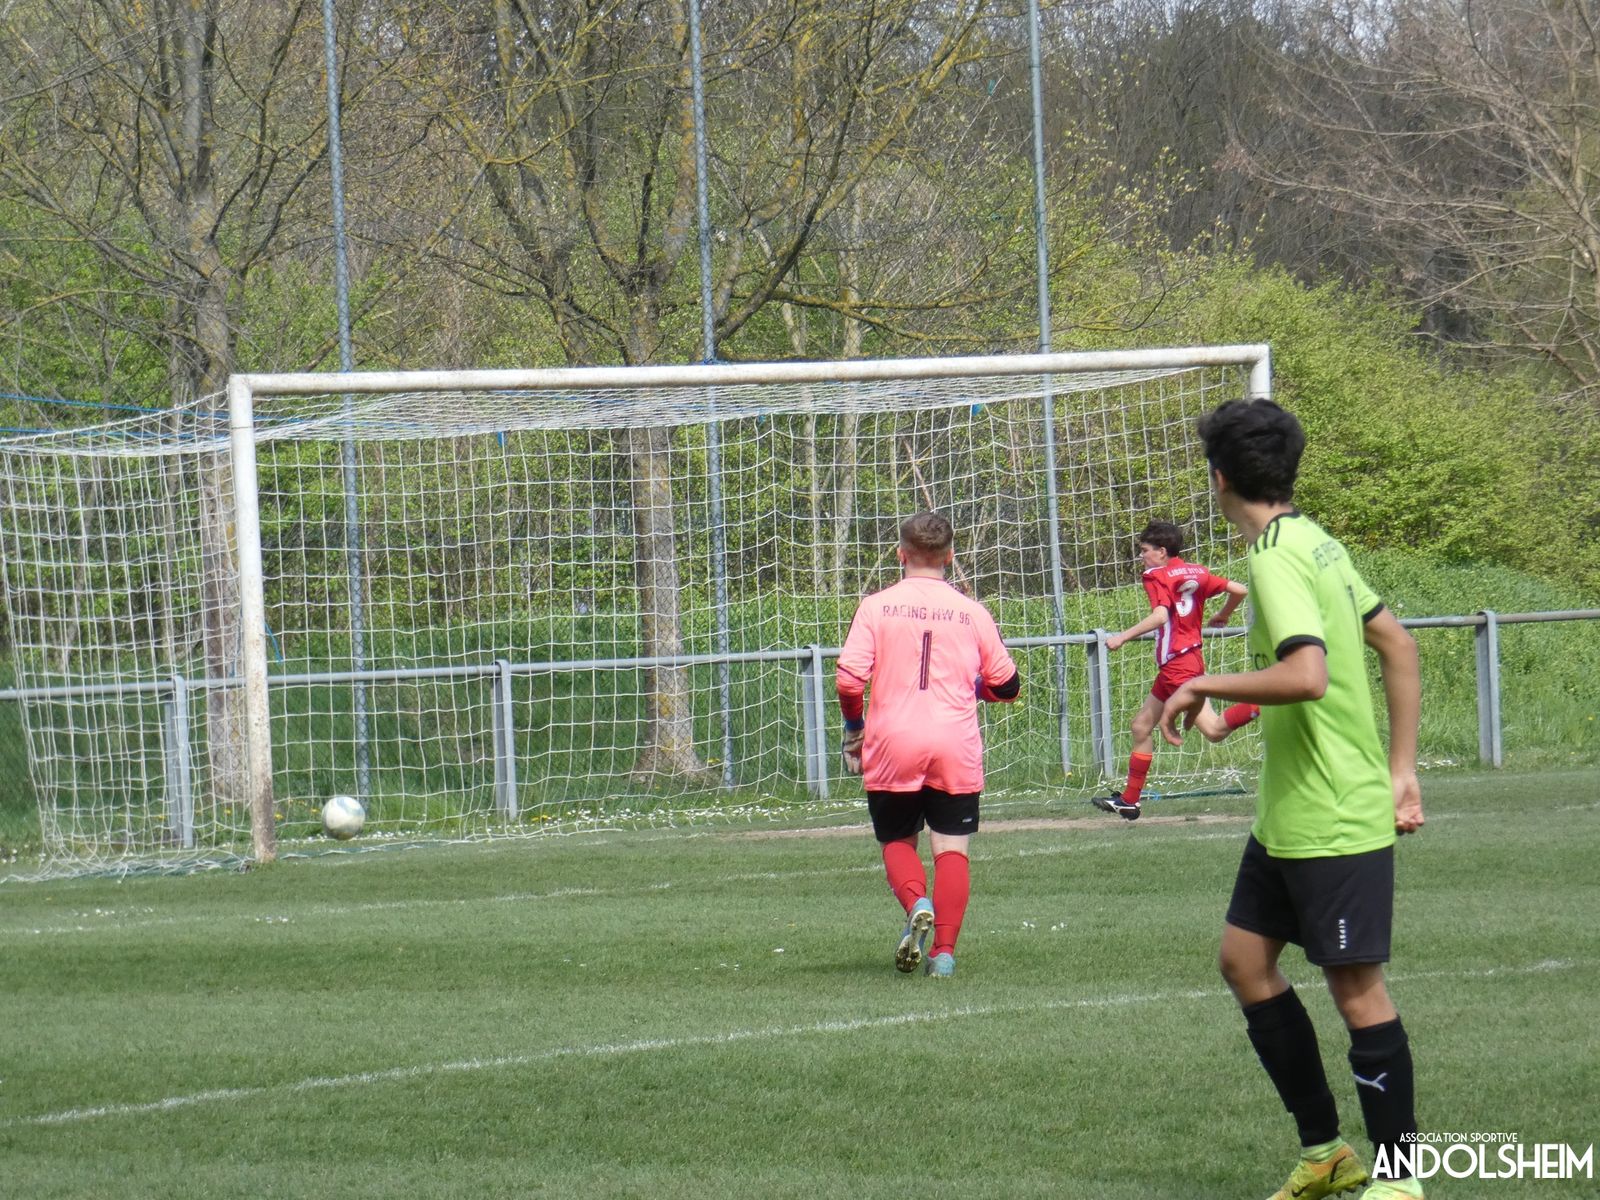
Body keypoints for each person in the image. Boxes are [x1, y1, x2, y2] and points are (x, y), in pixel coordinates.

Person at [1158, 399, 1426, 1200]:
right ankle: (1327, 1153)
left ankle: (1401, 1180)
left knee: (1357, 991)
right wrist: (1402, 768)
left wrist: (1201, 683)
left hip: (1332, 817)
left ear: (1218, 476)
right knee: (1244, 963)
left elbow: (1307, 675)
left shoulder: (1277, 558)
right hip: (1289, 814)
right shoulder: (1315, 541)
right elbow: (1396, 644)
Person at [836, 511, 1020, 978]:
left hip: (893, 742)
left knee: (897, 840)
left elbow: (849, 680)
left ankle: (918, 901)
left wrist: (854, 727)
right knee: (952, 847)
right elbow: (1007, 685)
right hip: (954, 743)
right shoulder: (972, 611)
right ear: (950, 556)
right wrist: (972, 688)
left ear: (901, 554)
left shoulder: (876, 606)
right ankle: (943, 955)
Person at [1092, 519, 1258, 820]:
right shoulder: (1197, 572)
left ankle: (1268, 702)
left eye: (1145, 550)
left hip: (1178, 665)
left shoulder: (1156, 575)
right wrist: (1223, 614)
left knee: (1213, 730)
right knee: (1141, 726)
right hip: (1183, 662)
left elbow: (1159, 616)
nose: (1142, 556)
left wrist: (1122, 637)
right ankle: (1129, 801)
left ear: (1162, 551)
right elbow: (1240, 589)